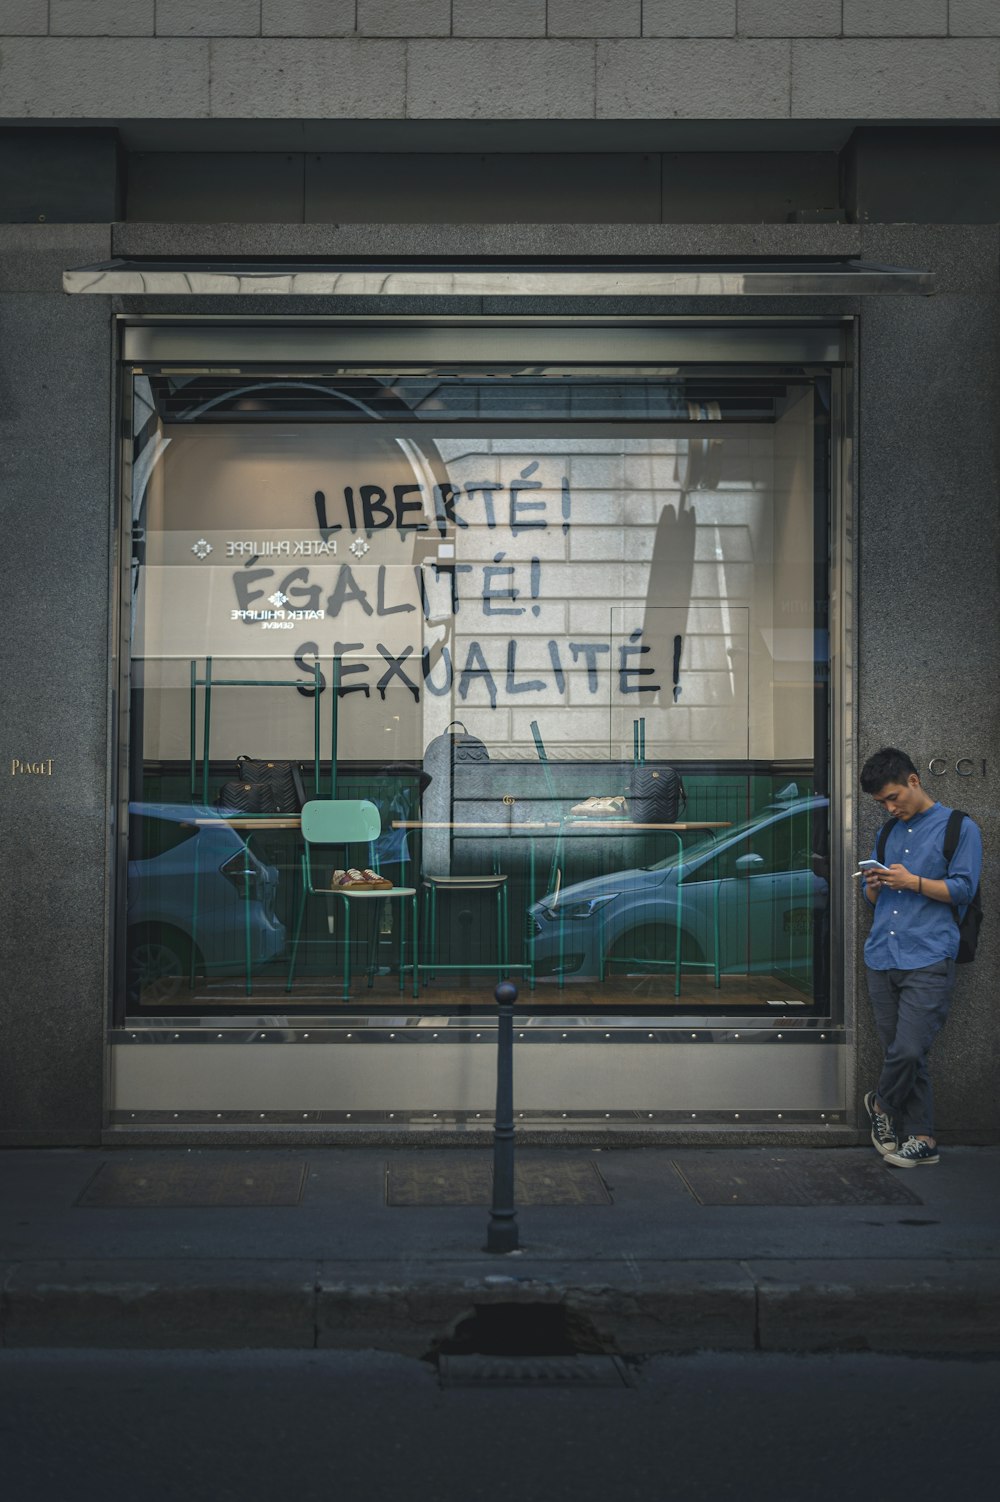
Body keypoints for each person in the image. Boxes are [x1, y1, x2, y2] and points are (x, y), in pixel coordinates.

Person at [859, 748, 982, 1168]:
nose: (891, 808)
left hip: (929, 954)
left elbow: (963, 889)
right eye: (882, 804)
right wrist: (874, 885)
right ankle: (923, 1137)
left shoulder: (959, 828)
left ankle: (880, 1106)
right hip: (882, 955)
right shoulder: (888, 831)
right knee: (902, 1051)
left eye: (894, 797)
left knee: (908, 1050)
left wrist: (912, 882)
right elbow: (872, 899)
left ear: (914, 780)